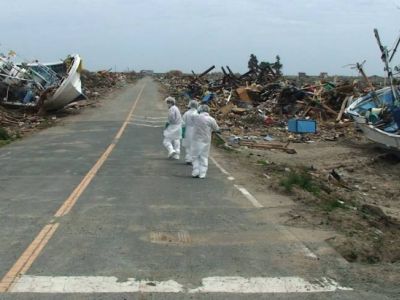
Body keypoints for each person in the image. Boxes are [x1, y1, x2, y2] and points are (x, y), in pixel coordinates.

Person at [191, 104, 219, 179]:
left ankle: (195, 171)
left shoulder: (196, 117)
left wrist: (197, 110)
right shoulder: (211, 119)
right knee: (204, 156)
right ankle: (202, 173)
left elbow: (192, 115)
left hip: (196, 139)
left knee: (195, 156)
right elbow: (216, 129)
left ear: (200, 110)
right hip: (206, 140)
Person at [181, 100, 199, 164]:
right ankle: (193, 159)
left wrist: (182, 131)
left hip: (188, 130)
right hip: (195, 130)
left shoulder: (186, 113)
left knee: (188, 146)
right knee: (195, 145)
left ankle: (188, 159)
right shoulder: (197, 113)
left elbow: (182, 123)